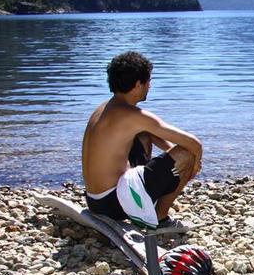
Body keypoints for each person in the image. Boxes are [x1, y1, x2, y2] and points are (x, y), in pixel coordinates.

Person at [82, 51, 202, 228]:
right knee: (187, 153)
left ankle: (147, 199)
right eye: (148, 81)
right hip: (115, 204)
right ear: (138, 84)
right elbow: (194, 143)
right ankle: (160, 218)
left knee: (145, 134)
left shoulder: (103, 109)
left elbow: (157, 135)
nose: (150, 86)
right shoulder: (133, 115)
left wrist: (171, 160)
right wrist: (192, 165)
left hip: (94, 200)